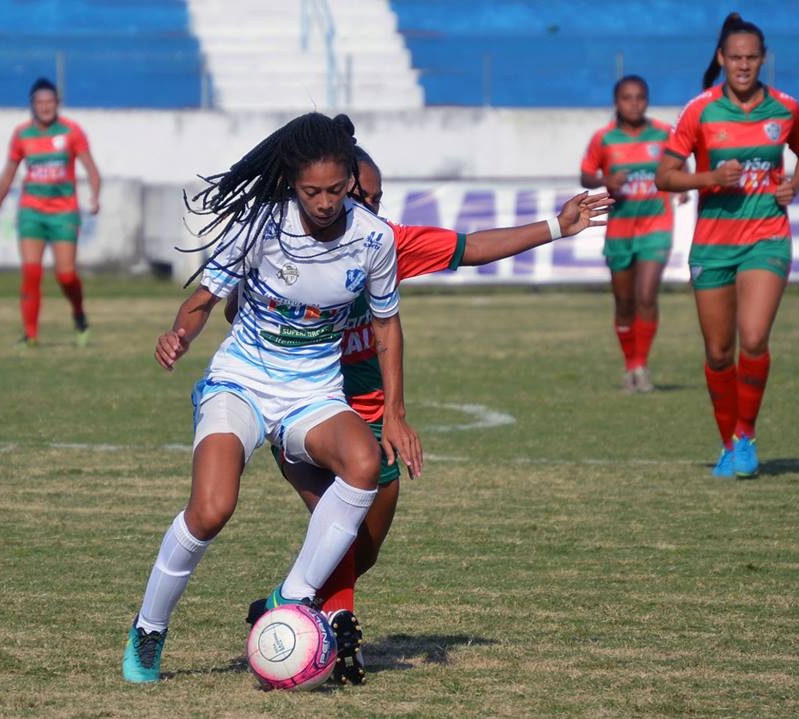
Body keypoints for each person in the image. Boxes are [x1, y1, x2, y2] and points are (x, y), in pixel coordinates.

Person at [241, 146, 613, 684]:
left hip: (372, 413)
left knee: (361, 548)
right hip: (303, 405)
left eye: (376, 197)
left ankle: (281, 603)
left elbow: (470, 247)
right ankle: (337, 627)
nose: (368, 205)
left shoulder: (382, 242)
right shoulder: (286, 243)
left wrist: (558, 225)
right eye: (359, 194)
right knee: (337, 533)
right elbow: (236, 303)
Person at [122, 113, 423, 683]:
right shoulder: (260, 225)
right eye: (313, 191)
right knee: (212, 509)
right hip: (241, 383)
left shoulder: (373, 239)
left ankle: (294, 594)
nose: (326, 202)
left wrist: (397, 416)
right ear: (291, 182)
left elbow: (388, 328)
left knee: (364, 462)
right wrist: (179, 334)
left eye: (337, 189)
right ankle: (149, 629)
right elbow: (205, 299)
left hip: (313, 393)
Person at [655, 13, 799, 478]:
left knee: (754, 337)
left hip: (767, 237)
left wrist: (795, 186)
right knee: (719, 352)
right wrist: (708, 177)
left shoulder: (786, 109)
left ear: (763, 60)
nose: (744, 66)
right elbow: (666, 176)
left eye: (752, 58)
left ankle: (745, 434)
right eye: (736, 58)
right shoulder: (700, 110)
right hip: (712, 244)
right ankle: (728, 441)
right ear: (721, 59)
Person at [581, 75, 684, 393]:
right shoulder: (604, 138)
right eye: (627, 97)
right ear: (617, 102)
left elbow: (680, 162)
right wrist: (605, 181)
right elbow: (586, 175)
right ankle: (629, 367)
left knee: (646, 295)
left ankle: (641, 366)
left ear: (647, 100)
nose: (634, 103)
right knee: (624, 303)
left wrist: (682, 185)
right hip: (620, 229)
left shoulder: (664, 133)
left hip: (656, 226)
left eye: (640, 97)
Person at [0, 77, 101, 347]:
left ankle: (79, 314)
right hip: (31, 213)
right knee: (31, 272)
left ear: (57, 103)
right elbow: (7, 176)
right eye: (40, 102)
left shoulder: (71, 132)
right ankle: (31, 335)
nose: (45, 106)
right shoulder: (22, 135)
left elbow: (92, 171)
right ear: (32, 105)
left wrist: (95, 196)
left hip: (64, 214)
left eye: (50, 101)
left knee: (65, 275)